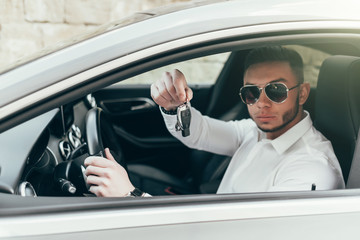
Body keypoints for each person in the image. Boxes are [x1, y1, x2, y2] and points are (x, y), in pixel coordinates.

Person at [84, 46, 345, 197]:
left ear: (302, 93)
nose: (262, 103)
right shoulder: (254, 131)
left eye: (276, 90)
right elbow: (198, 133)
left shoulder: (310, 168)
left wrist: (131, 197)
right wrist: (175, 104)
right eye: (251, 92)